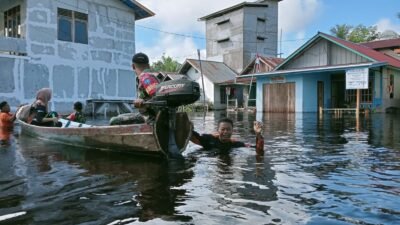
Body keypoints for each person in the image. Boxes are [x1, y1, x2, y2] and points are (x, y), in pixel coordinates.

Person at [109, 52, 159, 125]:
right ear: (148, 65)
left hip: (150, 118)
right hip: (146, 115)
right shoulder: (150, 76)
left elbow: (158, 98)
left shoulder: (146, 77)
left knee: (113, 121)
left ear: (133, 66)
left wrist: (143, 103)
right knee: (119, 116)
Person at [191, 118, 264, 155]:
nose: (225, 132)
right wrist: (189, 128)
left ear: (232, 131)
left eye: (228, 129)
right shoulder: (209, 139)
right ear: (218, 130)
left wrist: (258, 134)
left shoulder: (235, 144)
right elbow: (193, 137)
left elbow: (258, 149)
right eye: (222, 129)